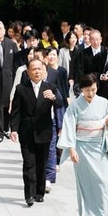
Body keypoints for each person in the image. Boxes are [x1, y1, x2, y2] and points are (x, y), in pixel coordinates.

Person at [58, 73, 108, 216]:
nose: (90, 93)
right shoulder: (76, 105)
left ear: (97, 87)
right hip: (81, 147)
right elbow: (69, 125)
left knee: (101, 184)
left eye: (92, 89)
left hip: (98, 147)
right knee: (83, 185)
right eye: (86, 90)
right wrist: (71, 148)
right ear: (81, 90)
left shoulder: (104, 102)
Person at [8, 57, 65, 206]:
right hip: (26, 132)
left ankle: (40, 192)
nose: (37, 71)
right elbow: (16, 111)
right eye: (33, 69)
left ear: (44, 71)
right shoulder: (21, 88)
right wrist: (13, 129)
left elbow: (61, 104)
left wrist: (53, 98)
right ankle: (29, 194)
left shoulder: (50, 87)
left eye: (39, 68)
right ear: (28, 72)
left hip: (44, 131)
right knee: (29, 164)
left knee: (42, 163)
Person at [43, 47, 70, 189]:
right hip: (43, 113)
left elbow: (63, 88)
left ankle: (51, 172)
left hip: (58, 104)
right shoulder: (41, 72)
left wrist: (66, 100)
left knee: (53, 144)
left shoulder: (59, 72)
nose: (52, 57)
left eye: (54, 54)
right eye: (50, 55)